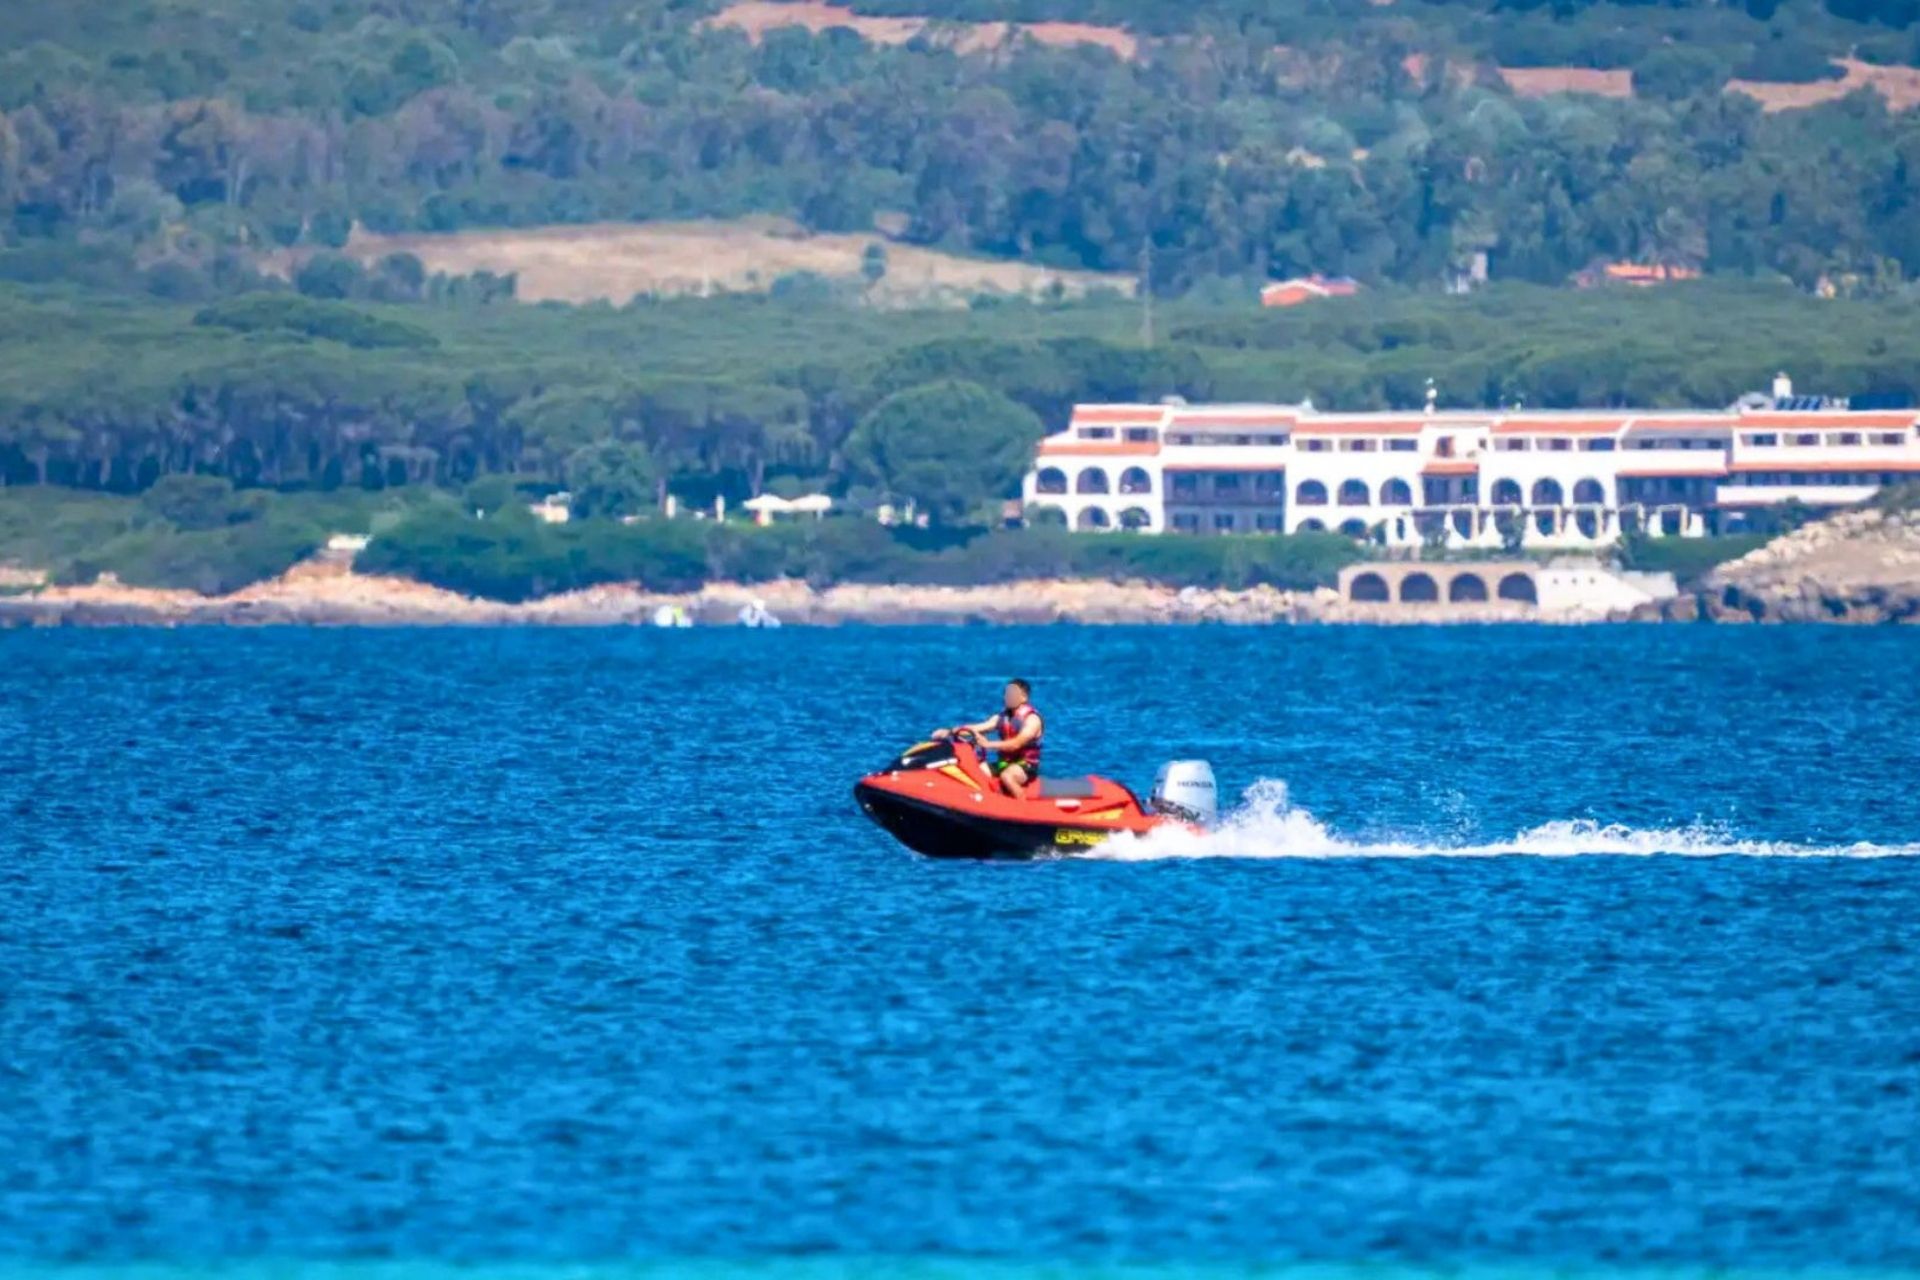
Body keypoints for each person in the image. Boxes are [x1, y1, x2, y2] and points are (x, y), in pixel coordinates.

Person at [934, 679, 1044, 799]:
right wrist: (949, 732)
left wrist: (988, 744)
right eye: (1007, 693)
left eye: (1012, 694)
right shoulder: (1002, 717)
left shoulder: (1032, 720)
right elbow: (978, 728)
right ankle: (984, 801)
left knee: (1008, 776)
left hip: (1025, 765)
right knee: (976, 772)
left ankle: (1022, 806)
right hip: (1004, 763)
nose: (1007, 697)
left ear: (1024, 697)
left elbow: (1016, 744)